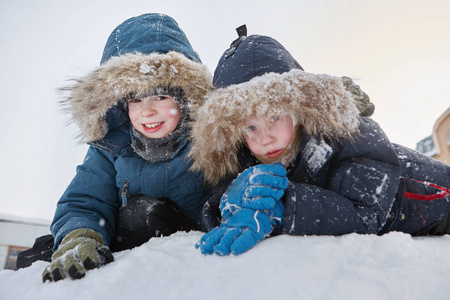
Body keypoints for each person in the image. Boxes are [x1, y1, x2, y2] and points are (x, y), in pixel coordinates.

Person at [188, 25, 450, 256]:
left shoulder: (350, 136)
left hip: (439, 200)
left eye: (274, 117)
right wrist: (228, 206)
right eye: (251, 127)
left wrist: (282, 206)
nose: (264, 138)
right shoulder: (245, 155)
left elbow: (365, 213)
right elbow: (222, 199)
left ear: (298, 111)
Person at [16, 13, 213, 282]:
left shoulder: (210, 138)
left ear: (184, 97)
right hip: (128, 247)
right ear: (121, 105)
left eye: (160, 96)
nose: (148, 111)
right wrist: (80, 236)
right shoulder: (112, 147)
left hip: (191, 250)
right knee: (41, 249)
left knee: (142, 213)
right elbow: (86, 202)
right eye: (135, 99)